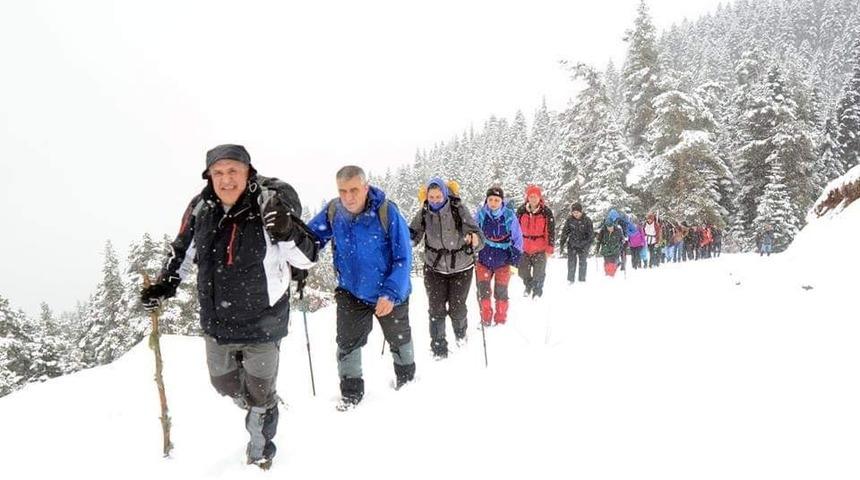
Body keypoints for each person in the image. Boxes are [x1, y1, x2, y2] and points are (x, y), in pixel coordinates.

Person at [140, 144, 319, 469]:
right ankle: (254, 402)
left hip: (264, 323)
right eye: (218, 173)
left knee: (261, 395)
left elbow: (306, 258)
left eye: (233, 171)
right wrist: (166, 285)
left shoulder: (269, 204)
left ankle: (260, 452)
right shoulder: (201, 209)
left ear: (248, 171)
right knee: (222, 383)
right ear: (209, 176)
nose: (226, 180)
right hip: (218, 323)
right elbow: (183, 251)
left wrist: (287, 231)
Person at [307, 165, 415, 410]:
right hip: (351, 292)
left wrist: (390, 292)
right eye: (342, 191)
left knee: (399, 340)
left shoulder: (387, 212)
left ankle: (408, 383)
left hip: (389, 292)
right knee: (347, 343)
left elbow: (403, 257)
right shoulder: (334, 211)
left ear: (366, 187)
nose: (348, 197)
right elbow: (311, 238)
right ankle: (351, 394)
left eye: (354, 189)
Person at [410, 178, 483, 359]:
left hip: (462, 267)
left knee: (457, 308)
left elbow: (478, 235)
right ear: (426, 196)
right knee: (436, 309)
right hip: (434, 268)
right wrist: (403, 241)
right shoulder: (425, 212)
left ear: (445, 194)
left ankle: (460, 334)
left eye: (438, 196)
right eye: (431, 196)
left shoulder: (459, 209)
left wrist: (475, 239)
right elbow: (413, 234)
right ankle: (438, 348)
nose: (435, 200)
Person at [475, 187, 524, 326]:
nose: (493, 203)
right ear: (487, 200)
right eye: (490, 199)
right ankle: (485, 319)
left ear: (502, 201)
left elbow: (518, 239)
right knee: (483, 292)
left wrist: (515, 262)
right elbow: (473, 231)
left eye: (496, 200)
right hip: (484, 259)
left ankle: (500, 320)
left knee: (501, 292)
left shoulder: (509, 216)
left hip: (504, 261)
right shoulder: (481, 214)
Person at [516, 185, 555, 298]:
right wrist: (514, 245)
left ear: (539, 198)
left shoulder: (546, 212)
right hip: (524, 247)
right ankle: (528, 285)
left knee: (539, 273)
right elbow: (515, 229)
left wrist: (549, 248)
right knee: (522, 271)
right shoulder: (521, 210)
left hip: (540, 247)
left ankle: (537, 291)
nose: (533, 199)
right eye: (531, 196)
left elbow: (550, 231)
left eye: (535, 196)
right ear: (527, 197)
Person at [558, 202, 594, 284]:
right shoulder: (569, 220)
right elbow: (565, 233)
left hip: (583, 245)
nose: (575, 214)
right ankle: (570, 280)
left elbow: (591, 235)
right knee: (571, 262)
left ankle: (582, 280)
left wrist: (587, 244)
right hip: (572, 245)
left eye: (577, 212)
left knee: (583, 263)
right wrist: (562, 244)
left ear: (581, 212)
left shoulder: (587, 220)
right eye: (574, 213)